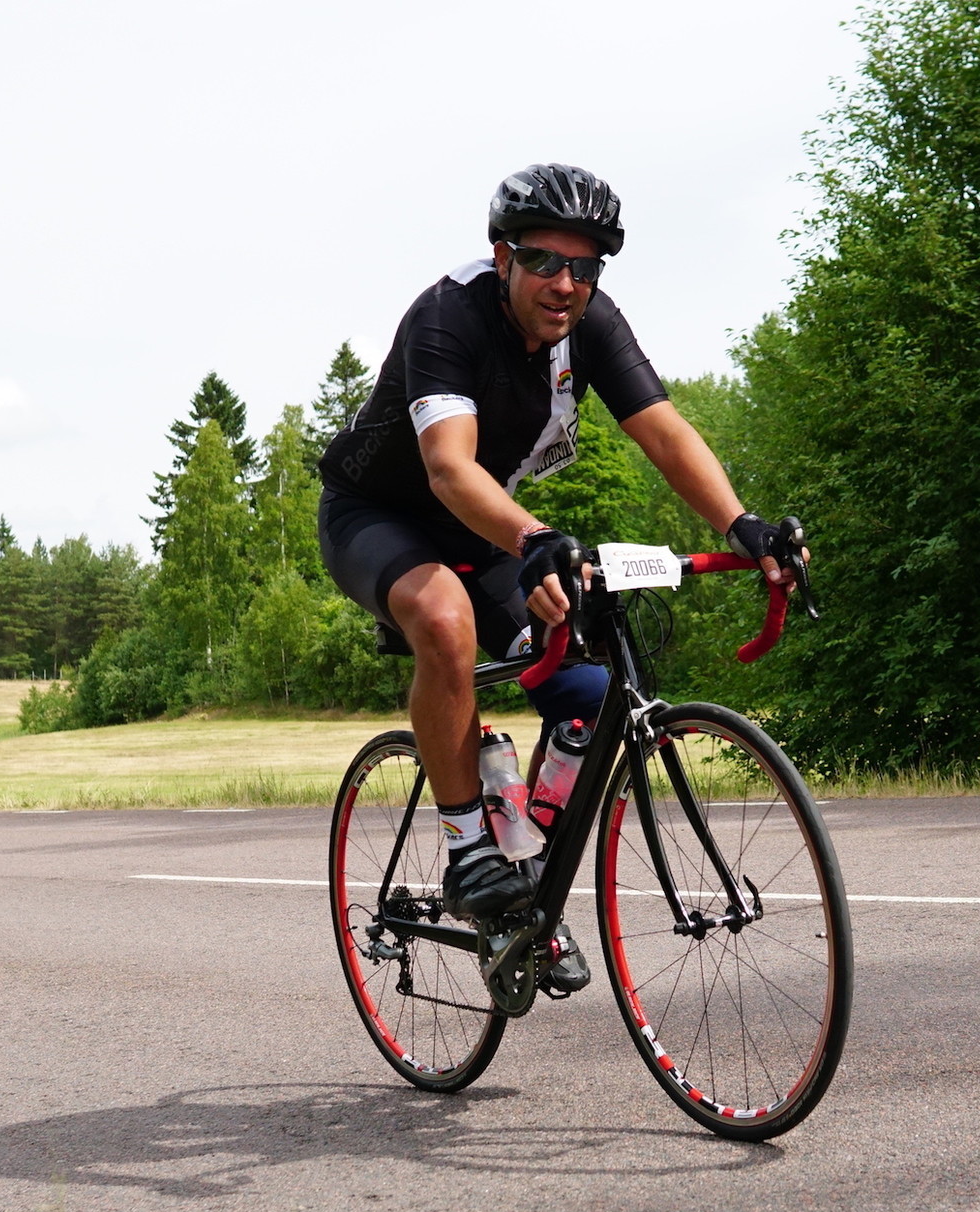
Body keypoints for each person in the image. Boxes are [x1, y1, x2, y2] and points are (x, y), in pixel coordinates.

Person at [317, 162, 792, 920]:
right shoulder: (448, 315)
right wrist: (536, 535)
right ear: (503, 257)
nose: (566, 284)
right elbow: (448, 468)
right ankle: (470, 850)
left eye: (586, 267)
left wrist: (742, 524)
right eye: (544, 261)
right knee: (445, 618)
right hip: (378, 515)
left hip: (486, 525)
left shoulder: (591, 324)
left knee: (591, 693)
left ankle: (530, 877)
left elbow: (665, 434)